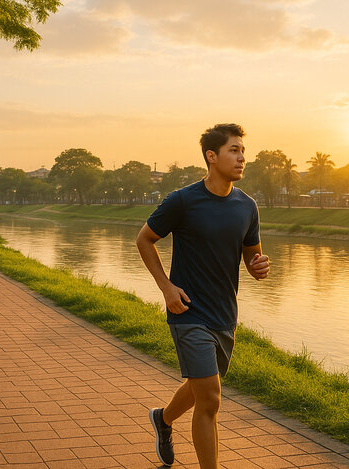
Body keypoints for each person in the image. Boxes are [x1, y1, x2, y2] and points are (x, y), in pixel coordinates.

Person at [136, 123, 270, 468]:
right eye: (233, 150)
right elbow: (144, 239)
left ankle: (163, 419)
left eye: (243, 150)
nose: (241, 158)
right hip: (188, 311)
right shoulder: (182, 201)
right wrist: (166, 288)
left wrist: (258, 267)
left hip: (225, 314)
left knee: (200, 389)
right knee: (210, 399)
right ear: (212, 157)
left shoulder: (247, 206)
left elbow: (251, 255)